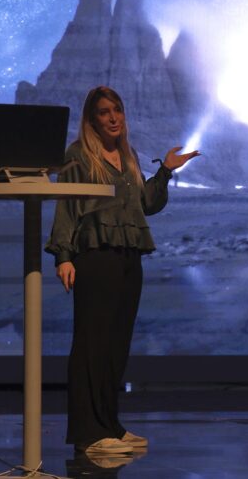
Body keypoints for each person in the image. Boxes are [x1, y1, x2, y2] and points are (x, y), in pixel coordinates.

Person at [46, 86, 200, 455]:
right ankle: (87, 434)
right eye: (104, 112)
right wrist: (63, 256)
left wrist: (165, 171)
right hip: (95, 257)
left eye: (117, 110)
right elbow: (67, 207)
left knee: (116, 345)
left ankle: (110, 426)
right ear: (92, 119)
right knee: (92, 345)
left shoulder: (127, 154)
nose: (113, 118)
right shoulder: (78, 155)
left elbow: (145, 204)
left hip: (130, 257)